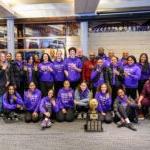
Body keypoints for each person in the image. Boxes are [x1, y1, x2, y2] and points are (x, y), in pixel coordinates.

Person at [0, 52, 11, 116]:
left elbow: (9, 74)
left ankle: (5, 110)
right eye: (1, 56)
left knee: (6, 98)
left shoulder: (7, 64)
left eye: (4, 56)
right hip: (1, 84)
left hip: (7, 83)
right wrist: (3, 69)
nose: (3, 58)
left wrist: (8, 81)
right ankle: (1, 111)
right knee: (1, 99)